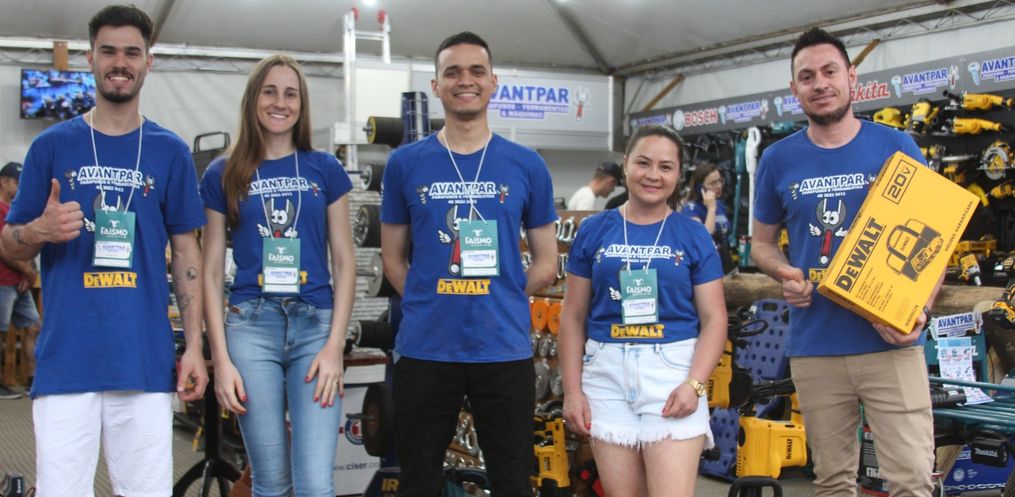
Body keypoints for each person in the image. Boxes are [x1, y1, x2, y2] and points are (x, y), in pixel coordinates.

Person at [0, 5, 208, 496]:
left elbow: (187, 254)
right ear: (90, 58)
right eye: (109, 51)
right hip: (67, 358)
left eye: (132, 52)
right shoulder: (51, 146)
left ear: (148, 62)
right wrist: (39, 231)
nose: (120, 62)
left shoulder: (170, 151)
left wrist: (195, 348)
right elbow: (9, 241)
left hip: (144, 358)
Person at [752, 27, 938, 497]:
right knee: (832, 483)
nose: (820, 83)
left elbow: (934, 242)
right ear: (794, 89)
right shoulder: (777, 160)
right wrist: (783, 272)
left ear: (851, 77)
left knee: (912, 480)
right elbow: (762, 245)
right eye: (807, 76)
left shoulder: (896, 145)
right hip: (815, 346)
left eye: (830, 71)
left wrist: (920, 312)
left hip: (890, 343)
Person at [380, 31, 559, 497]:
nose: (466, 80)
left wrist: (501, 294)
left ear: (493, 82)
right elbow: (392, 259)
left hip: (503, 351)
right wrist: (429, 300)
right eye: (453, 72)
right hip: (425, 350)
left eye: (477, 71)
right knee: (419, 483)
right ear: (435, 86)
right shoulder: (405, 164)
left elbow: (547, 262)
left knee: (512, 482)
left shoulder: (526, 164)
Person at [200, 54, 356, 497]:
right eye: (269, 92)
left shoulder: (325, 169)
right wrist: (221, 360)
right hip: (250, 329)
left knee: (315, 486)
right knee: (270, 483)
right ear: (253, 99)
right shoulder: (223, 172)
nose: (280, 103)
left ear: (302, 104)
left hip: (315, 330)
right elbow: (210, 271)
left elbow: (345, 262)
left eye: (291, 94)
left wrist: (335, 347)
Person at [559, 124, 727, 497]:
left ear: (678, 174)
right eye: (643, 163)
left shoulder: (693, 234)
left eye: (666, 167)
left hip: (672, 373)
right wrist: (572, 391)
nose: (653, 175)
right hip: (605, 375)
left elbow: (715, 318)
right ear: (626, 164)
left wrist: (695, 384)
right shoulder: (594, 229)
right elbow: (572, 316)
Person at [0, 162, 41, 400]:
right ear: (4, 181)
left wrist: (28, 271)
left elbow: (28, 243)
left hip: (19, 281)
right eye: (18, 181)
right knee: (1, 331)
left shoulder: (17, 209)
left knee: (34, 326)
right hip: (4, 280)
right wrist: (27, 271)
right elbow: (4, 248)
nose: (21, 186)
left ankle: (32, 379)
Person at [680, 164, 736, 273]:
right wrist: (711, 209)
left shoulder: (719, 205)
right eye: (713, 183)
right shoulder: (690, 209)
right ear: (700, 187)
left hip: (722, 263)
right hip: (703, 266)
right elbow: (704, 238)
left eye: (720, 181)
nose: (719, 186)